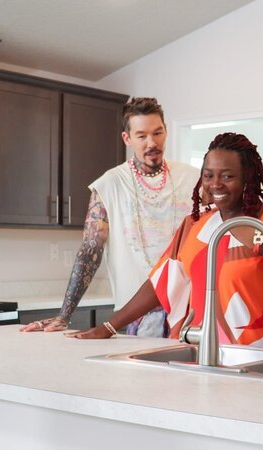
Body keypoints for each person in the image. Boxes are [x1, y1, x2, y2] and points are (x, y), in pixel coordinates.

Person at [69, 132, 263, 359]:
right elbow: (160, 283)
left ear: (247, 177)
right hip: (200, 354)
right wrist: (110, 326)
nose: (215, 184)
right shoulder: (194, 225)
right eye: (208, 175)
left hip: (259, 355)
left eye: (227, 176)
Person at [20, 97, 199, 336]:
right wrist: (65, 315)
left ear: (166, 131)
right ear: (127, 138)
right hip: (138, 315)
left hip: (190, 311)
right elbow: (90, 250)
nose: (152, 143)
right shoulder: (109, 185)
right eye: (142, 135)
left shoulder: (193, 178)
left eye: (157, 133)